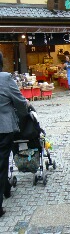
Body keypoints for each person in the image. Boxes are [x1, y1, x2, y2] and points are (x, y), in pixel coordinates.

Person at [0, 71, 29, 218]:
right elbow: (19, 101)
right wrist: (25, 112)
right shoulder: (5, 78)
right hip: (3, 127)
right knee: (2, 161)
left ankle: (6, 189)